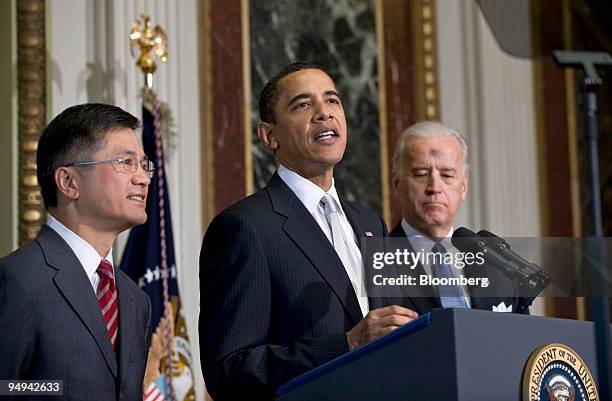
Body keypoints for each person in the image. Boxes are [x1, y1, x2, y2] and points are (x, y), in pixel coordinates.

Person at [199, 62, 417, 400]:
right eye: (303, 104)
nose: (324, 114)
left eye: (332, 101)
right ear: (269, 135)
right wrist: (346, 344)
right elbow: (229, 371)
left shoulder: (371, 224)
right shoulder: (245, 228)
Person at [0, 104, 153, 401]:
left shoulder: (136, 299)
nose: (143, 179)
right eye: (125, 162)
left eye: (143, 165)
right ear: (69, 182)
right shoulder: (17, 280)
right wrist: (55, 389)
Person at [390, 121, 524, 314]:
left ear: (463, 187)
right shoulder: (373, 263)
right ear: (397, 185)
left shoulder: (496, 264)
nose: (434, 187)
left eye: (447, 175)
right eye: (420, 174)